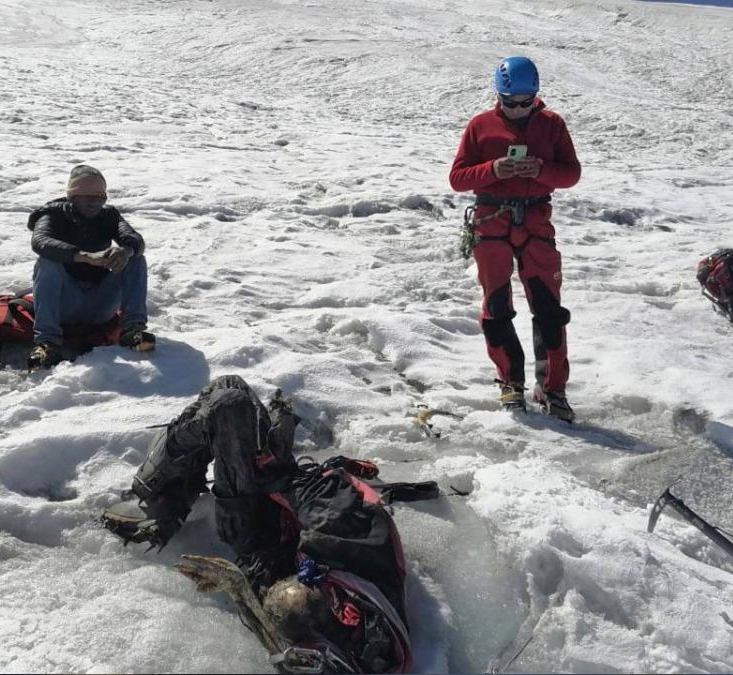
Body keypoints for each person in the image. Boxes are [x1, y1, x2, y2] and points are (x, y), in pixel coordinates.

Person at [101, 376, 435, 673]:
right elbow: (320, 496)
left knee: (229, 401)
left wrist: (238, 585)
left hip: (257, 539)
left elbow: (279, 637)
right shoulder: (349, 539)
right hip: (290, 511)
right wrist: (277, 472)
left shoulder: (311, 648)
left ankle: (159, 500)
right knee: (231, 389)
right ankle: (169, 493)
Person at [449, 56, 582, 421]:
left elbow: (571, 174)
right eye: (512, 102)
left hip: (536, 224)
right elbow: (458, 178)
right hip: (492, 224)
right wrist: (493, 170)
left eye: (527, 101)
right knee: (496, 306)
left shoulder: (552, 124)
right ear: (500, 95)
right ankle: (510, 383)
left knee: (549, 309)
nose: (520, 109)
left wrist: (541, 170)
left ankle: (552, 389)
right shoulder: (480, 126)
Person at [26, 164, 153, 369]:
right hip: (65, 304)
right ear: (73, 197)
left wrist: (125, 251)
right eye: (88, 197)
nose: (95, 202)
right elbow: (40, 241)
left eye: (100, 196)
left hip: (100, 303)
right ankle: (47, 343)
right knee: (46, 261)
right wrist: (82, 256)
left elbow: (135, 239)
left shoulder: (109, 216)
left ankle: (133, 330)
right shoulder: (52, 215)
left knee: (135, 258)